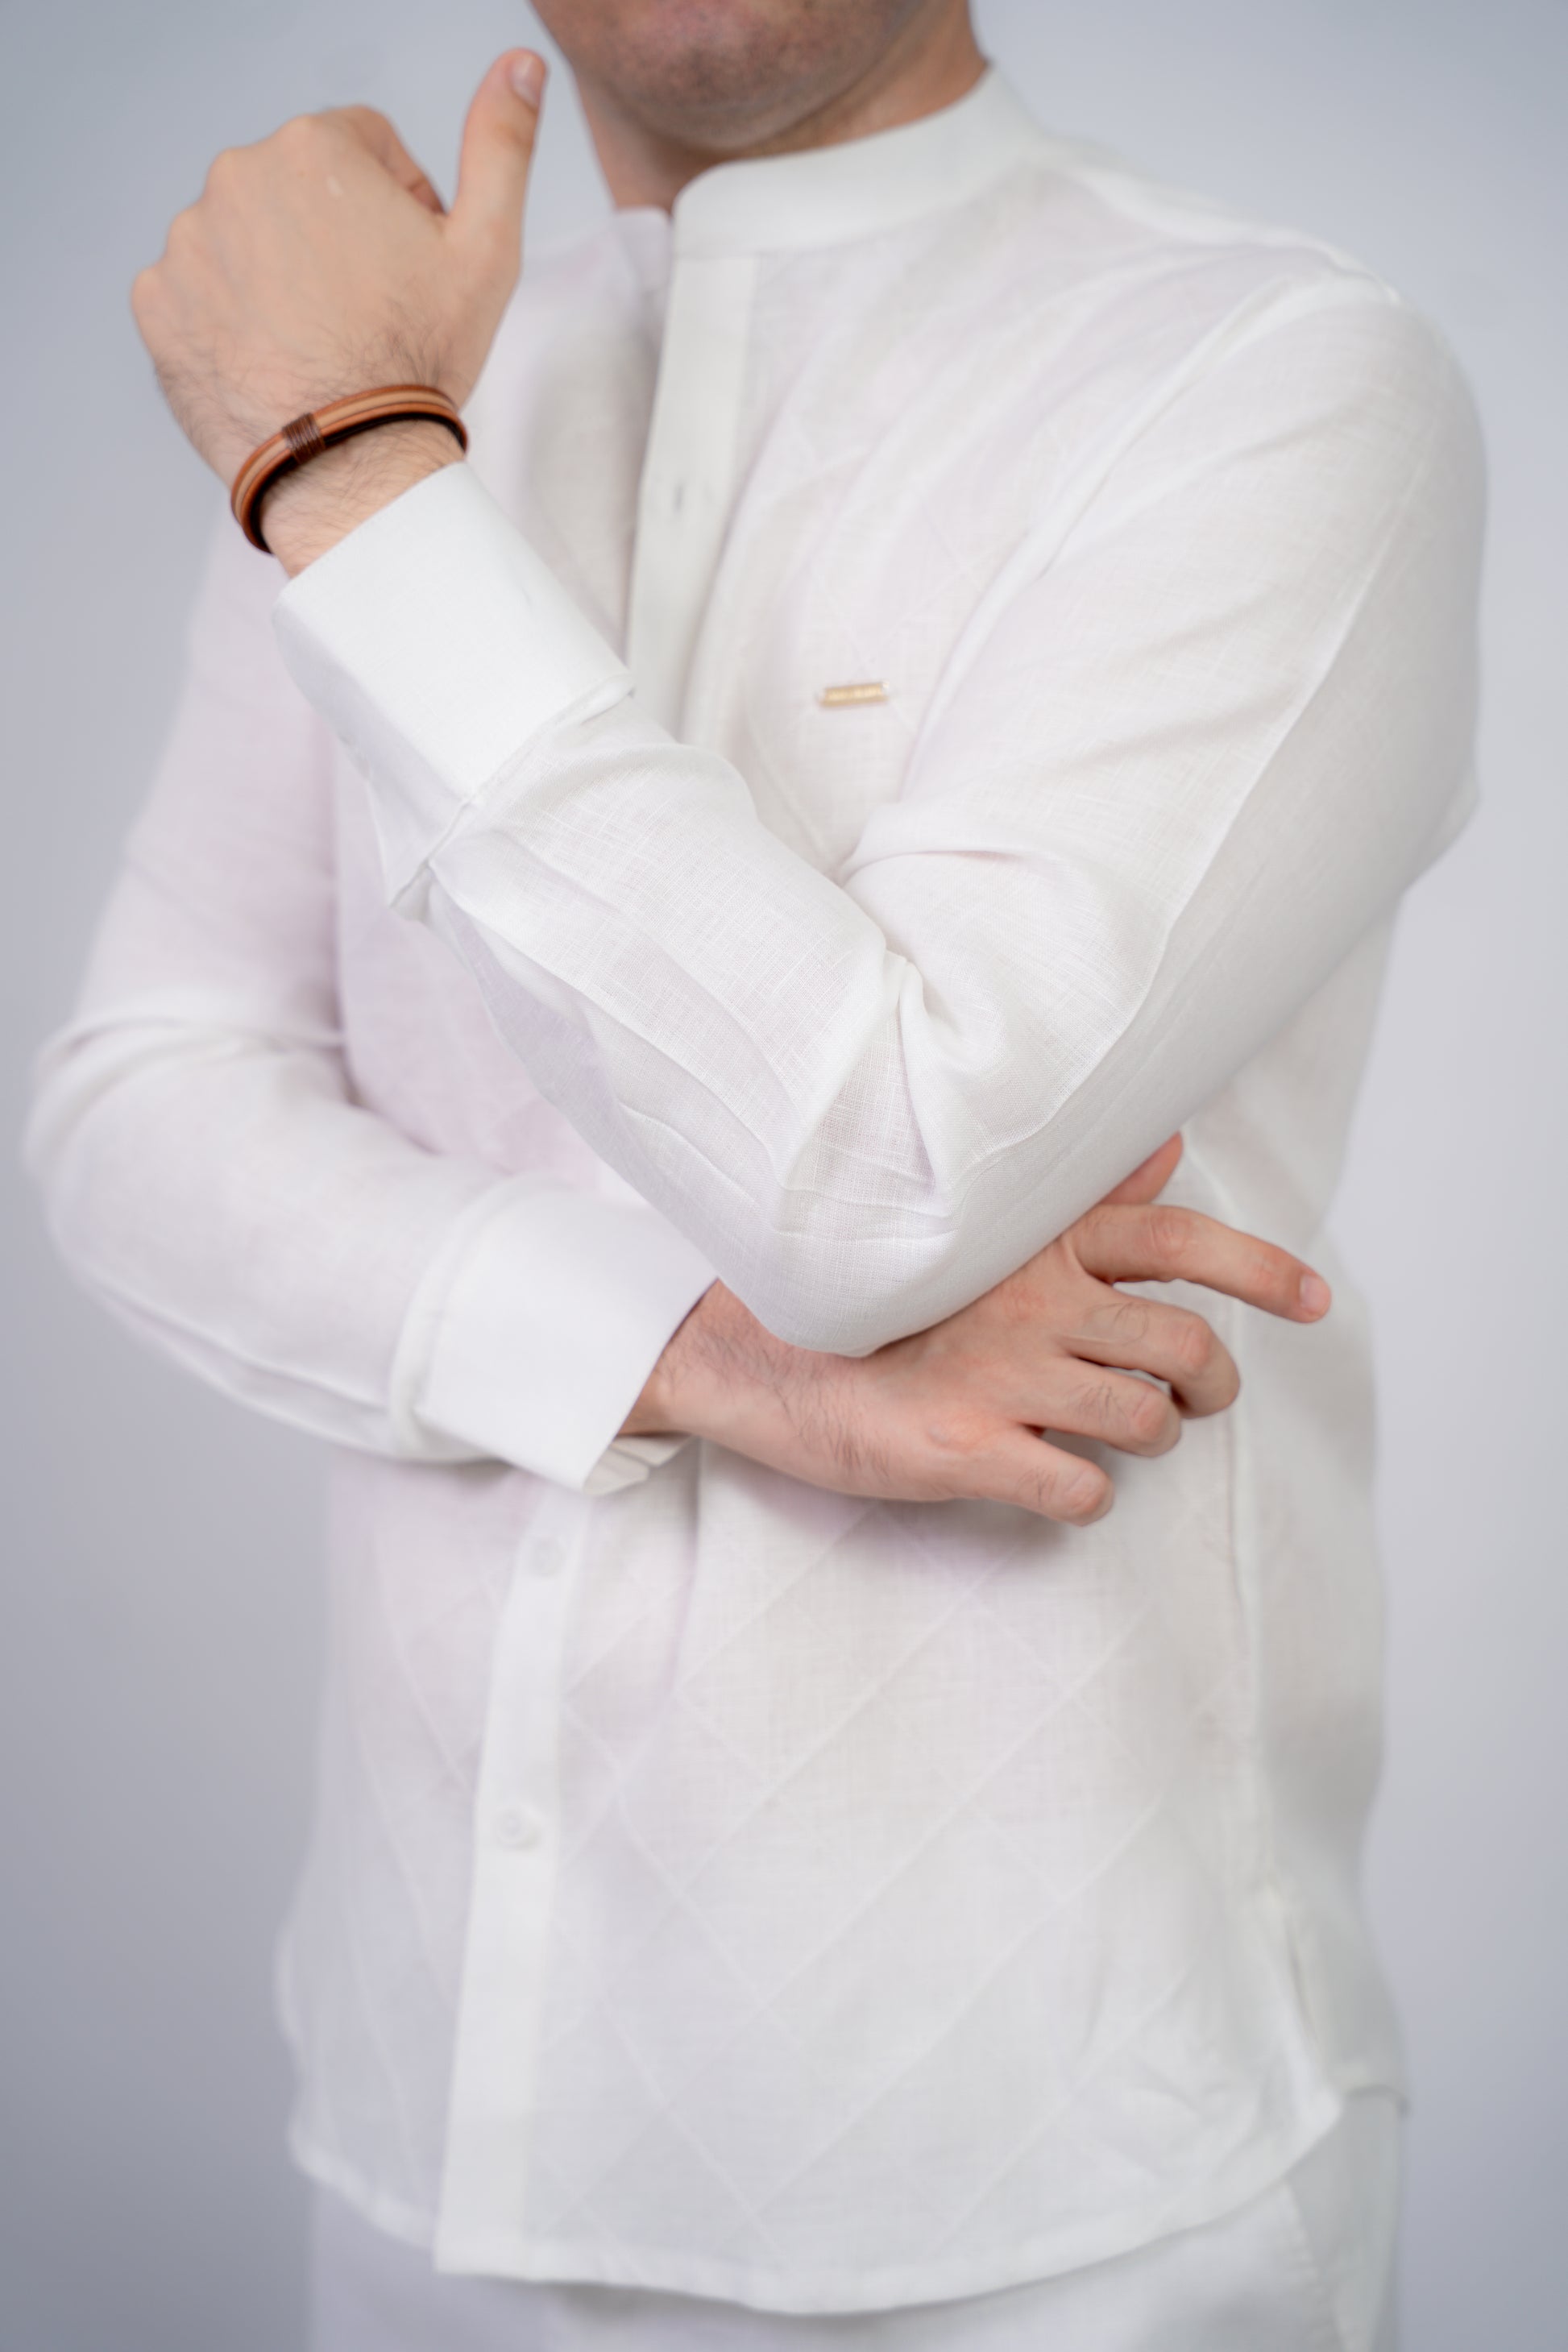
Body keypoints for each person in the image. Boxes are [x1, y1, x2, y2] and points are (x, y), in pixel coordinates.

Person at [27, 0, 1483, 2343]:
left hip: (1063, 2187)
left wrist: (348, 483)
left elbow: (878, 1180)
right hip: (423, 2131)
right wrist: (705, 1361)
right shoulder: (396, 402)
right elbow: (137, 1113)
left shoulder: (1270, 379)